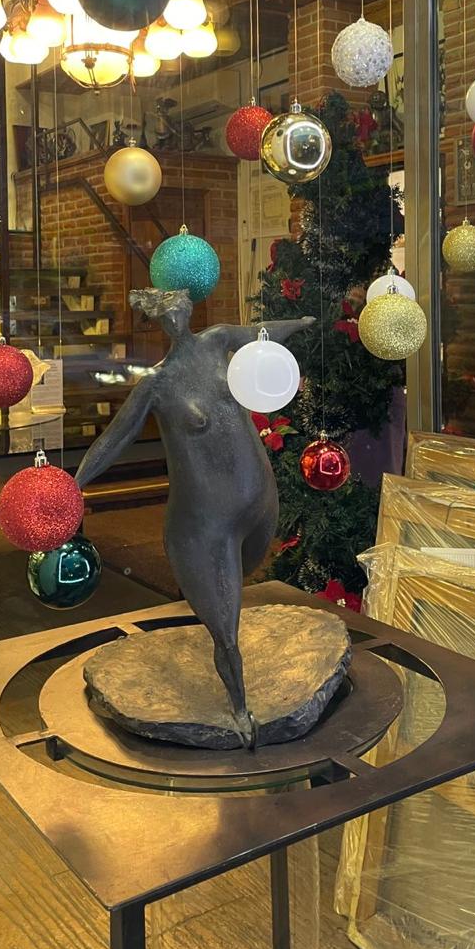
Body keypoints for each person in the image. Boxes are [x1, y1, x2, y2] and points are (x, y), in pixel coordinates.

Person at [75, 287, 313, 747]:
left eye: (179, 311)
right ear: (159, 324)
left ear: (189, 311)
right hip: (204, 526)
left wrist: (300, 324)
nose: (175, 321)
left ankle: (240, 703)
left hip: (259, 503)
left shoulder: (218, 341)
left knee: (237, 600)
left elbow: (260, 335)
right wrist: (76, 481)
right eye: (166, 316)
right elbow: (115, 439)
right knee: (226, 630)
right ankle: (239, 711)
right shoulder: (158, 384)